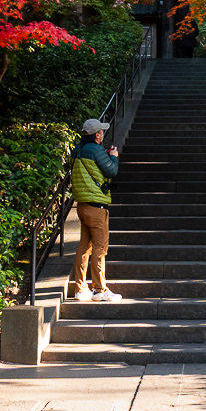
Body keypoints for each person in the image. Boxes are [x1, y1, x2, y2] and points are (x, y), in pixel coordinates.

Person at [71, 117, 122, 303]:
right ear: (97, 134)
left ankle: (80, 289)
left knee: (84, 246)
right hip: (97, 207)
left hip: (82, 206)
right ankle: (100, 289)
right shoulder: (96, 150)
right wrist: (114, 157)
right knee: (100, 248)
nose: (102, 134)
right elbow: (111, 171)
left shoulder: (77, 150)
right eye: (101, 131)